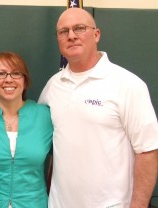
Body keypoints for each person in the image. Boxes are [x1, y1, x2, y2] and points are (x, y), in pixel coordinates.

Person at [39, 8, 158, 208]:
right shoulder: (53, 86)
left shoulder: (128, 85)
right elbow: (31, 124)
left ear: (96, 34)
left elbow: (147, 151)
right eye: (63, 31)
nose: (71, 36)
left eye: (79, 28)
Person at [0, 52, 53, 207]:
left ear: (25, 80)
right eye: (1, 74)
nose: (8, 79)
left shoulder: (44, 116)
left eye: (16, 73)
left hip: (33, 203)